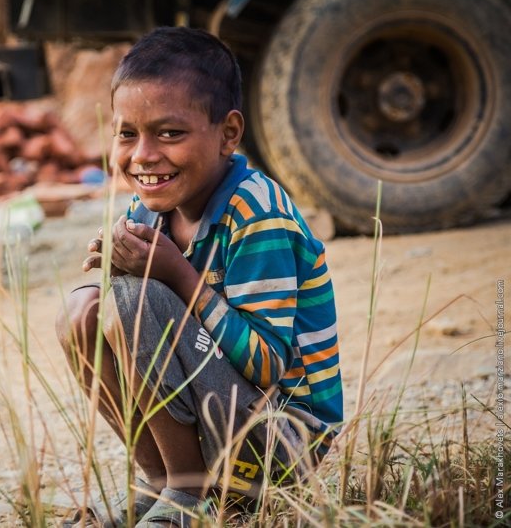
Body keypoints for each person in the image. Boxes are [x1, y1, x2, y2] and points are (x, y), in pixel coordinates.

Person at [56, 26, 343, 527]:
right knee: (83, 309)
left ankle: (191, 497)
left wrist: (177, 274)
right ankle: (161, 482)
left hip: (278, 442)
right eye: (127, 133)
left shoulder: (258, 212)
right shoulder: (148, 209)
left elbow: (268, 364)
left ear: (228, 134)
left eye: (170, 133)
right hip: (221, 424)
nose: (143, 155)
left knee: (132, 299)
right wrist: (119, 266)